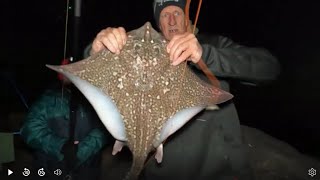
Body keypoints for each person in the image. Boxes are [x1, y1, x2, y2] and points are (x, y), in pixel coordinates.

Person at [85, 0, 280, 179]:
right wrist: (95, 50)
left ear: (187, 18)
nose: (171, 20)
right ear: (159, 24)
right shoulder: (143, 53)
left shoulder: (212, 44)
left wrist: (204, 55)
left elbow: (269, 68)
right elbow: (93, 72)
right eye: (164, 15)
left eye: (177, 13)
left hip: (223, 172)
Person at [20, 60, 111, 180]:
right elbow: (28, 130)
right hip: (51, 171)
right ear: (60, 77)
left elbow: (105, 130)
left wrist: (81, 151)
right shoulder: (48, 100)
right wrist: (61, 146)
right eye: (67, 72)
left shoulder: (97, 100)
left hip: (87, 171)